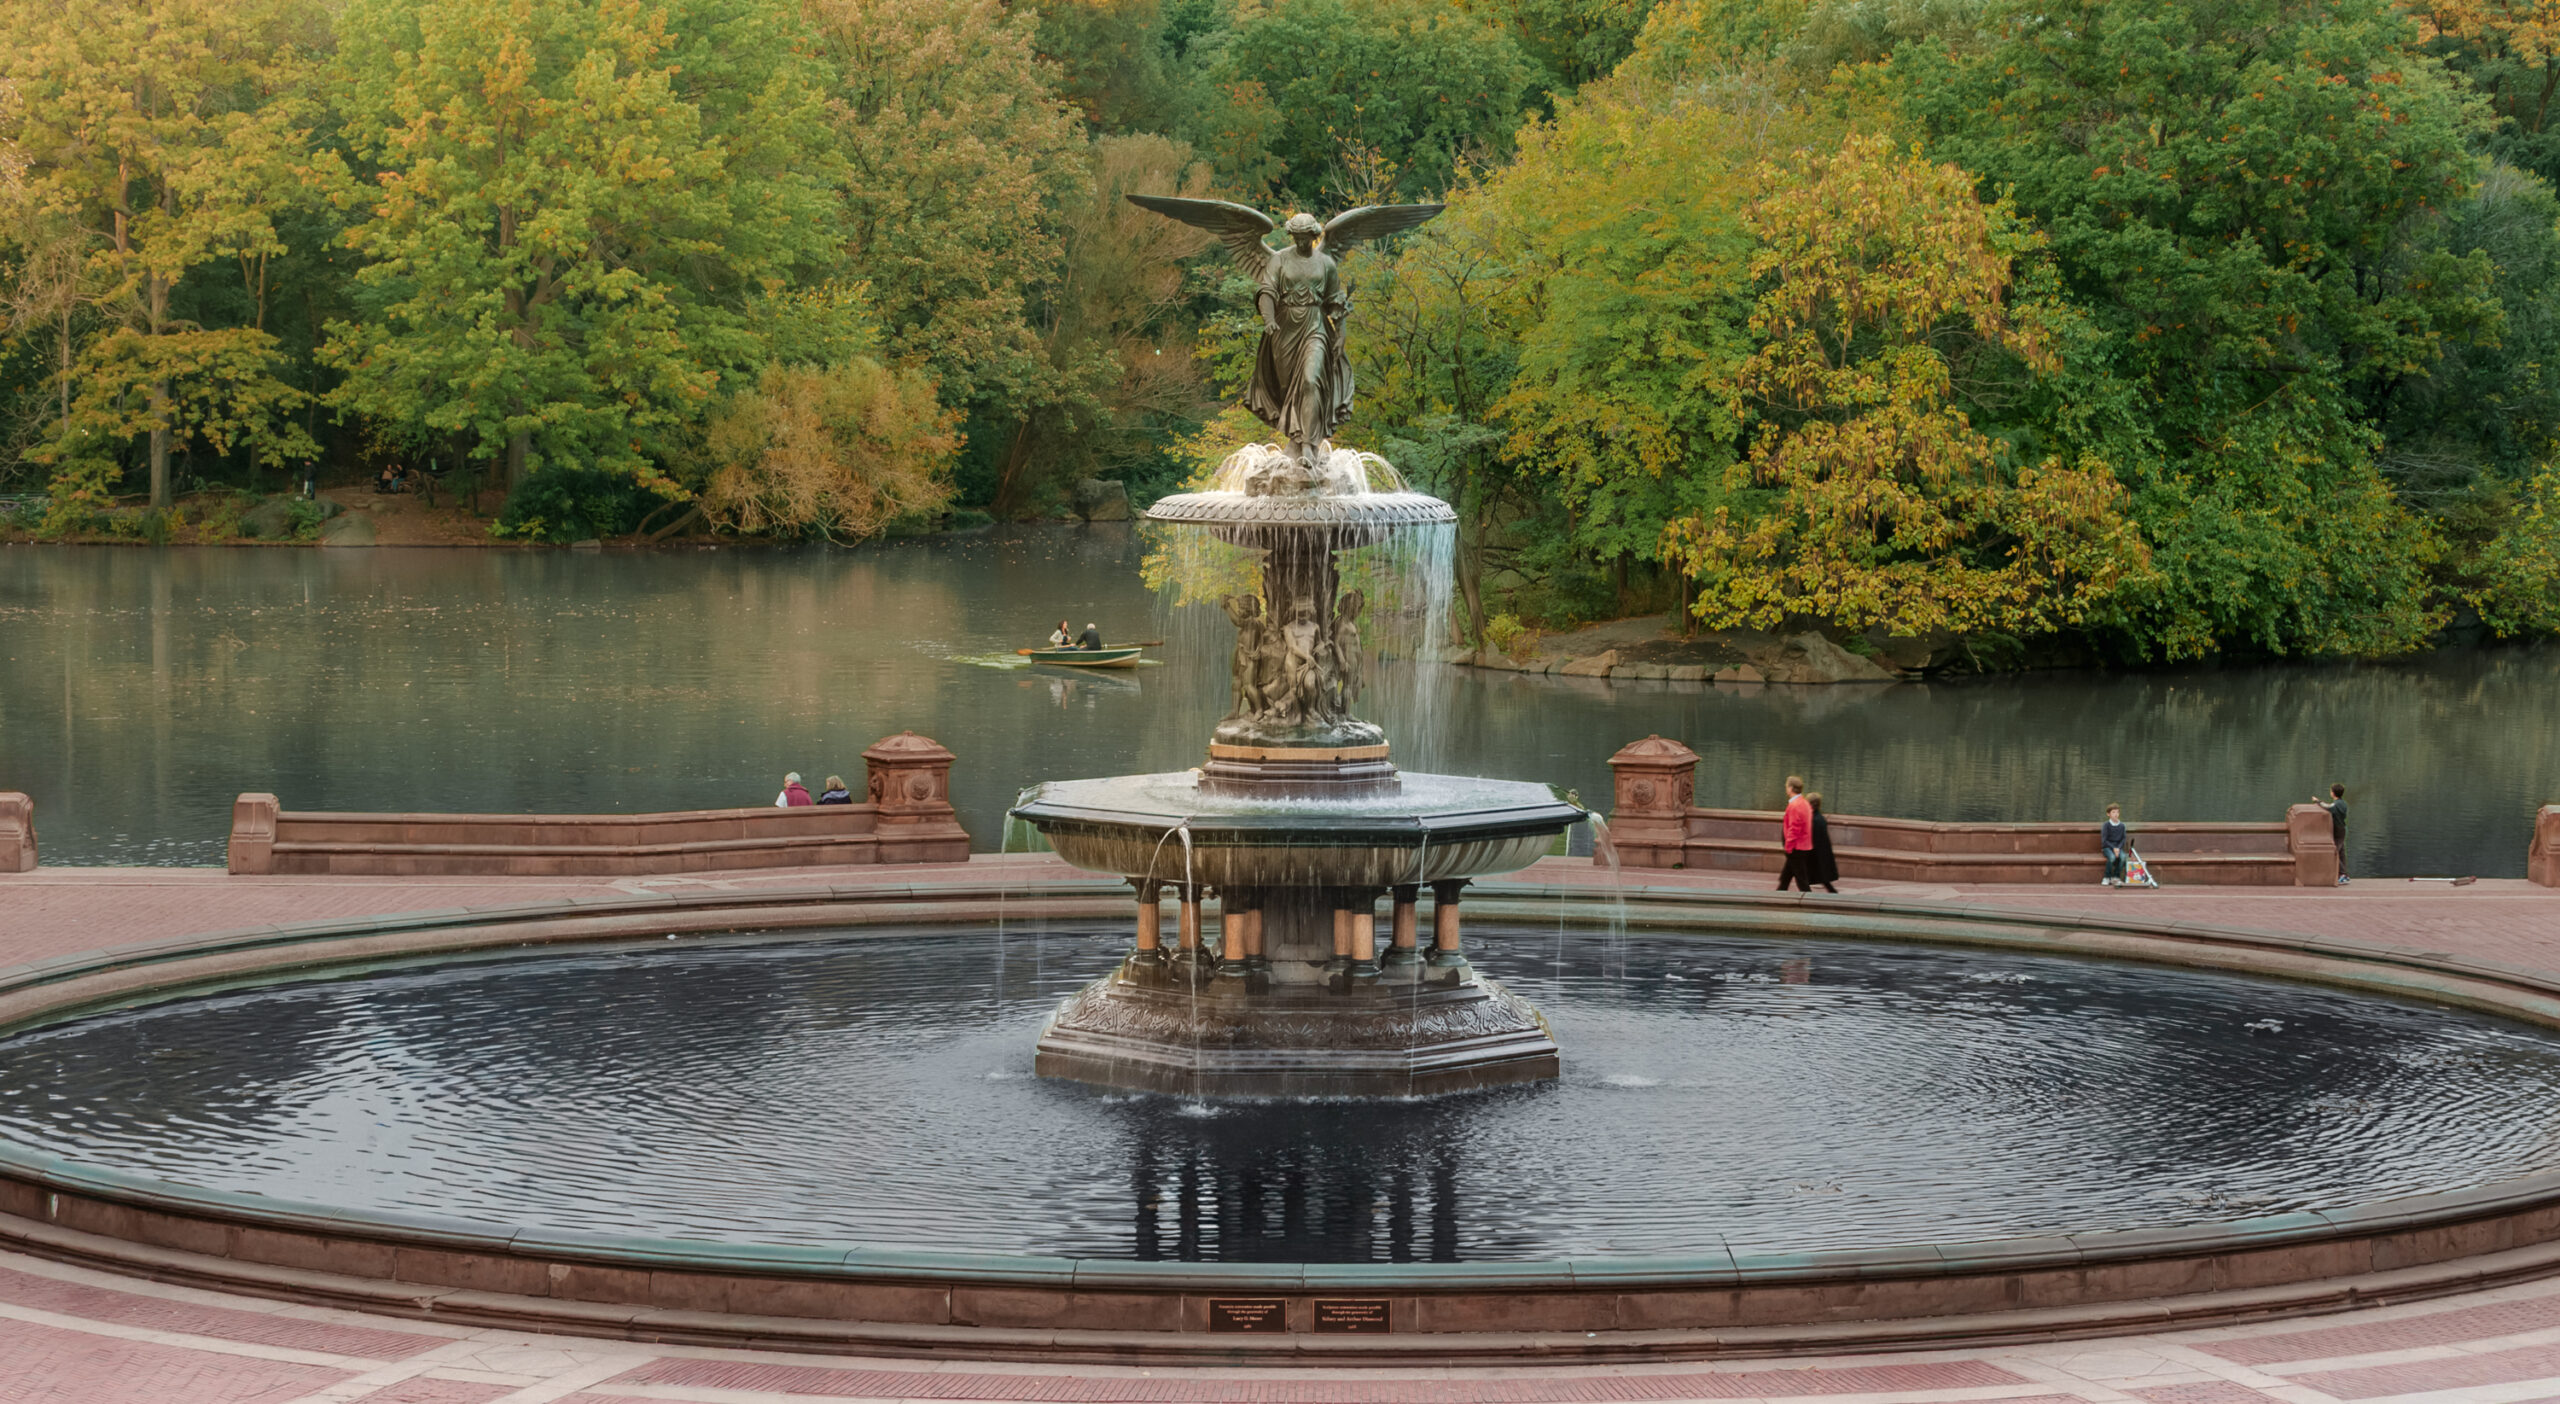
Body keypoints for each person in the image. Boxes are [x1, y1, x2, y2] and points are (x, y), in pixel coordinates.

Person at [1777, 776, 1813, 892]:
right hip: (1802, 846)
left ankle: (1810, 901)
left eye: (1787, 786)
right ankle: (1779, 894)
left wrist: (1788, 846)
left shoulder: (1795, 805)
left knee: (1801, 880)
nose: (1786, 788)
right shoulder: (1804, 803)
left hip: (1796, 847)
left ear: (1791, 788)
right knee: (1786, 877)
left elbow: (1794, 828)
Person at [1806, 791, 1840, 893]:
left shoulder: (1814, 820)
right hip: (1822, 852)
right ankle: (1831, 890)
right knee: (1822, 876)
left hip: (1815, 852)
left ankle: (1806, 892)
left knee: (1805, 875)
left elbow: (1812, 837)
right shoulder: (1819, 818)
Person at [2317, 783, 2349, 884]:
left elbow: (2328, 807)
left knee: (2334, 851)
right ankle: (2344, 875)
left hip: (2338, 830)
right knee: (2342, 853)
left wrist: (2318, 802)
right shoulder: (2343, 803)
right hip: (2342, 829)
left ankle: (2343, 874)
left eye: (2331, 791)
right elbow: (2330, 806)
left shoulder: (2336, 804)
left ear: (2333, 793)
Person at [2100, 804, 2129, 887]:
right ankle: (2106, 877)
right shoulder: (2106, 825)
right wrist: (2114, 848)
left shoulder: (2122, 826)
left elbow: (2123, 839)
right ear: (2108, 814)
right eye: (2113, 812)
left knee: (2123, 857)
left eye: (2117, 812)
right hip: (2107, 847)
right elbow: (2104, 840)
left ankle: (2116, 877)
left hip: (2118, 848)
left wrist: (2118, 848)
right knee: (2112, 858)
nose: (2116, 814)